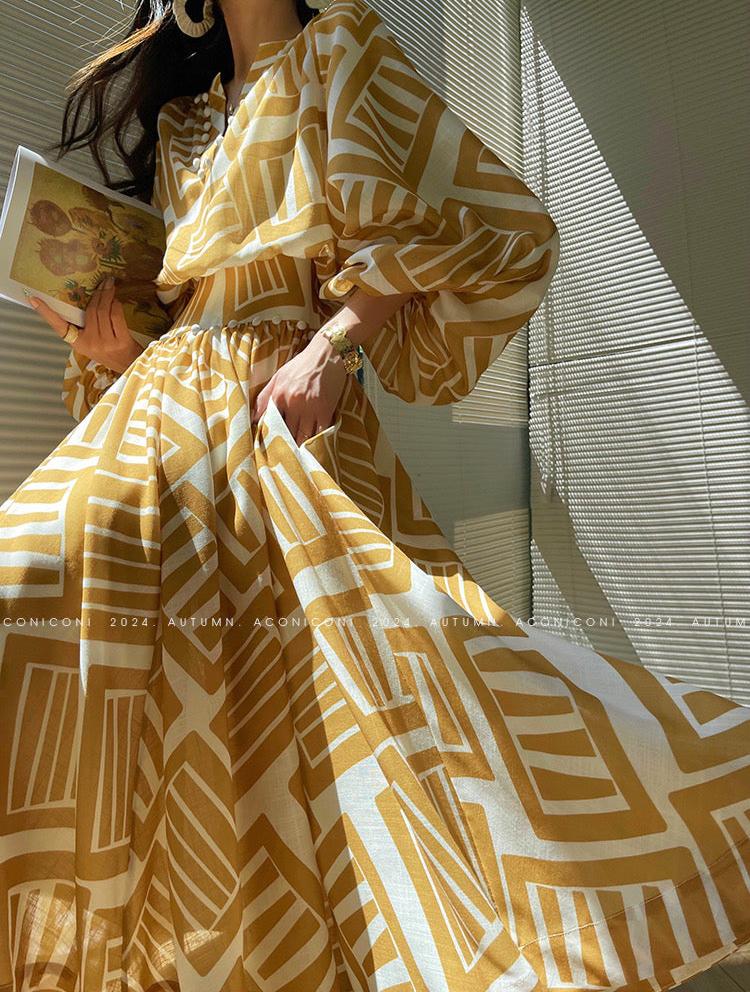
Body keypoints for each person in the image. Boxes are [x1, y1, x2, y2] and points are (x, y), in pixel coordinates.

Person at [1, 0, 748, 988]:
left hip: (278, 415)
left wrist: (332, 345)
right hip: (160, 408)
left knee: (348, 698)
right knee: (61, 611)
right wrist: (108, 349)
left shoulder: (342, 49)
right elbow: (187, 307)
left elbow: (484, 224)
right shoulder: (185, 123)